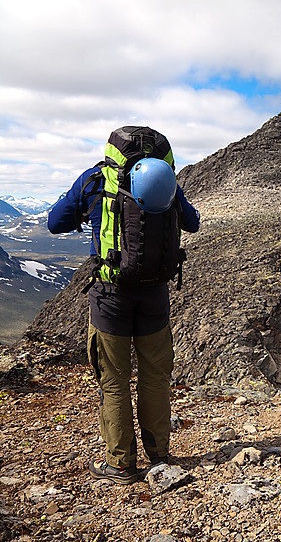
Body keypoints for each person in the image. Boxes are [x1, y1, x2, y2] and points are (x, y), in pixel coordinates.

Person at [48, 126, 200, 484]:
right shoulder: (167, 186)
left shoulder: (95, 181)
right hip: (155, 295)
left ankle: (120, 464)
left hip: (110, 296)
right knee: (155, 376)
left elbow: (56, 223)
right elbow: (192, 222)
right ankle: (160, 455)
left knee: (113, 380)